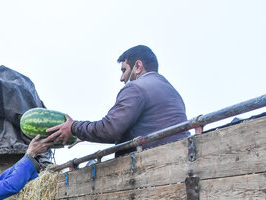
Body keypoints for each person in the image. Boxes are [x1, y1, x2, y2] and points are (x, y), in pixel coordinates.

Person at [46, 45, 189, 156]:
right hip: (175, 153)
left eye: (124, 70)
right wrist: (84, 134)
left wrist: (73, 127)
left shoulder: (136, 87)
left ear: (138, 67)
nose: (122, 78)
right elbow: (140, 129)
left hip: (151, 162)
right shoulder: (171, 91)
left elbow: (110, 129)